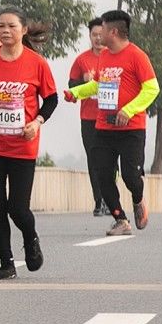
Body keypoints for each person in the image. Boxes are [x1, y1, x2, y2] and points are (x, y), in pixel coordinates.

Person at [0, 8, 58, 279]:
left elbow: (52, 99)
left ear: (23, 30)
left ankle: (30, 239)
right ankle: (6, 262)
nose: (5, 31)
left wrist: (37, 122)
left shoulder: (37, 63)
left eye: (10, 26)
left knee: (18, 208)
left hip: (23, 146)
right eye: (0, 26)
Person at [65, 9, 158, 236]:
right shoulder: (104, 56)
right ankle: (120, 219)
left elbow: (152, 89)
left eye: (103, 29)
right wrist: (76, 92)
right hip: (104, 126)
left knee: (129, 175)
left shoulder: (137, 56)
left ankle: (138, 200)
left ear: (113, 32)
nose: (99, 34)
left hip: (131, 129)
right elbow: (97, 85)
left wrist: (129, 109)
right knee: (102, 174)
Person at [68, 19, 108, 218]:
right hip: (89, 117)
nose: (98, 38)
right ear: (90, 36)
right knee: (94, 160)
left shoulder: (114, 59)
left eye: (101, 34)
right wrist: (82, 81)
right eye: (94, 35)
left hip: (110, 116)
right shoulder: (82, 60)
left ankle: (111, 199)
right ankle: (99, 200)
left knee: (110, 160)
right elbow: (72, 86)